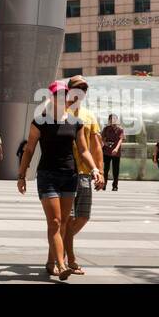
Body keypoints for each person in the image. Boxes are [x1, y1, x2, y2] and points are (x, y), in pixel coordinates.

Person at [18, 80, 102, 280]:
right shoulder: (40, 121)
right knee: (55, 222)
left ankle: (50, 262)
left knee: (64, 222)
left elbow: (83, 150)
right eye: (57, 94)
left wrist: (95, 169)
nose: (62, 98)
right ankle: (61, 264)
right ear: (50, 97)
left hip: (69, 176)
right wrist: (22, 176)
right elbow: (29, 150)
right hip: (47, 175)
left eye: (64, 94)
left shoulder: (76, 123)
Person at [63, 77, 104, 277]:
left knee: (83, 216)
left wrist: (100, 171)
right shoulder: (59, 113)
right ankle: (68, 259)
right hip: (65, 172)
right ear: (68, 90)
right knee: (67, 219)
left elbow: (96, 147)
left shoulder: (89, 116)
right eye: (77, 88)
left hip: (86, 173)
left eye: (84, 89)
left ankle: (58, 247)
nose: (81, 91)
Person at [101, 114, 125, 190]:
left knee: (116, 170)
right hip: (106, 151)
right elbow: (102, 138)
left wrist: (116, 149)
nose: (113, 121)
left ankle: (115, 186)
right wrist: (105, 143)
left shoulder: (120, 129)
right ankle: (104, 184)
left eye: (114, 119)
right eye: (111, 119)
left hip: (116, 153)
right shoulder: (106, 129)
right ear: (109, 120)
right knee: (105, 169)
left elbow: (121, 140)